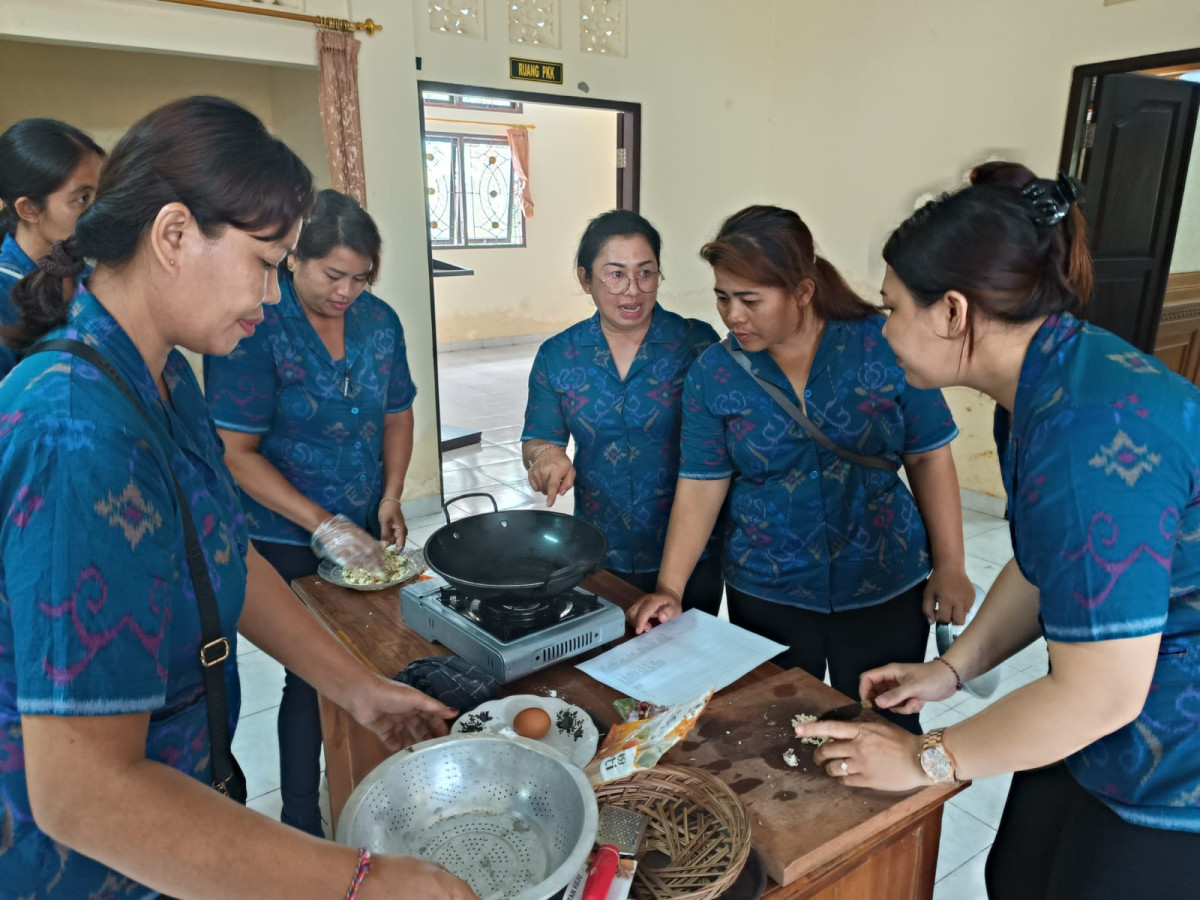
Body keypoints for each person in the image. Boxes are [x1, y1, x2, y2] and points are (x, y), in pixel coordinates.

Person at [0, 96, 476, 900]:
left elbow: (220, 548)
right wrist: (365, 883)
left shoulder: (159, 373)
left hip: (181, 796)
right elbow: (84, 794)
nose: (273, 295)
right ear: (175, 234)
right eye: (265, 262)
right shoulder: (78, 432)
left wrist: (355, 685)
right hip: (93, 872)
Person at [794, 163, 1200, 898]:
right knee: (1016, 872)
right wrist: (953, 671)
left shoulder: (1089, 433)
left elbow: (1103, 697)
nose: (884, 331)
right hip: (1108, 716)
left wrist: (928, 761)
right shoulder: (1049, 377)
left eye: (892, 308)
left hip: (1174, 762)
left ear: (952, 311)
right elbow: (1045, 561)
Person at [629, 205, 974, 734]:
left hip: (885, 581)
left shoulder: (879, 344)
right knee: (780, 731)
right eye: (722, 297)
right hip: (769, 589)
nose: (732, 315)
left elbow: (927, 453)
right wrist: (670, 589)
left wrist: (950, 564)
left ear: (803, 292)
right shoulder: (715, 375)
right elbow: (702, 484)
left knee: (885, 728)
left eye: (750, 300)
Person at [204, 188, 416, 838]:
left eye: (360, 277)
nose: (346, 291)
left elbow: (397, 412)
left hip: (361, 528)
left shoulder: (380, 324)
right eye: (333, 275)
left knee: (370, 658)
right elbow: (235, 452)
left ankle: (365, 787)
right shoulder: (255, 327)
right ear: (294, 258)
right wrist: (322, 524)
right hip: (280, 534)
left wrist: (390, 494)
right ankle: (302, 818)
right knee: (308, 676)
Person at [522, 209, 724, 613]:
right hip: (600, 551)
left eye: (646, 273)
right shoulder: (558, 356)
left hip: (690, 553)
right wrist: (545, 458)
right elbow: (538, 438)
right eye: (615, 274)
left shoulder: (696, 343)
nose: (633, 290)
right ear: (585, 279)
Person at [0, 117, 103, 379]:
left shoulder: (96, 280)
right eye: (82, 198)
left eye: (101, 195)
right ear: (29, 209)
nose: (99, 211)